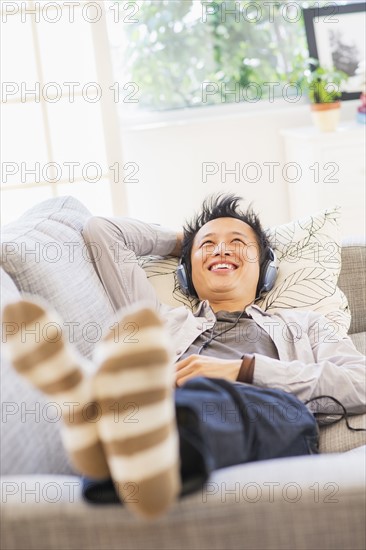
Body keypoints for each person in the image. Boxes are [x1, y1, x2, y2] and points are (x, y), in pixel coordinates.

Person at [4, 194, 365, 519]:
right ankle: (130, 444)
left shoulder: (305, 324)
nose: (221, 250)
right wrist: (184, 242)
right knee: (169, 395)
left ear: (267, 270)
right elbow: (102, 232)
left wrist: (244, 370)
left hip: (274, 410)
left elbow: (359, 382)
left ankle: (101, 427)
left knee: (203, 400)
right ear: (185, 272)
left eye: (237, 243)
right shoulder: (159, 319)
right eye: (208, 247)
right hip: (165, 403)